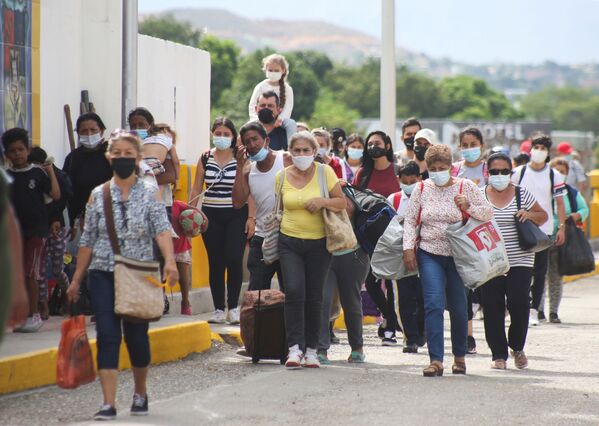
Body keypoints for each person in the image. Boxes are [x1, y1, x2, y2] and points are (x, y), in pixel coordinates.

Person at [66, 130, 178, 420]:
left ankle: (140, 392)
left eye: (129, 155)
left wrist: (170, 261)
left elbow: (161, 229)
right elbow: (87, 240)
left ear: (139, 158)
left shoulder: (149, 193)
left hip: (139, 273)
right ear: (109, 157)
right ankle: (108, 402)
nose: (123, 159)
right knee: (107, 334)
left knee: (137, 336)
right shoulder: (98, 194)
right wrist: (77, 279)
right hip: (103, 273)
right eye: (118, 155)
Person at [403, 144, 493, 377]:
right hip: (429, 252)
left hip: (459, 256)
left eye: (442, 167)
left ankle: (460, 357)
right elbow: (411, 221)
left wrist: (468, 206)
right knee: (432, 304)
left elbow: (487, 214)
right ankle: (435, 360)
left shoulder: (465, 187)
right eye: (432, 168)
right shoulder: (422, 188)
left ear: (451, 167)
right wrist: (408, 249)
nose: (437, 171)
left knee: (459, 307)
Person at [277, 131, 346, 369]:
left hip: (319, 243)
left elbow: (342, 202)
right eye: (297, 150)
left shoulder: (324, 172)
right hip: (289, 241)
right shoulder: (282, 176)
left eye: (306, 150)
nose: (301, 155)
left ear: (314, 152)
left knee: (315, 296)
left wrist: (323, 202)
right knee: (294, 290)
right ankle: (294, 348)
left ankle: (312, 350)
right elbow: (278, 207)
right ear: (290, 152)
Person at [481, 152, 548, 370]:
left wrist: (529, 215)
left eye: (504, 171)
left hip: (521, 258)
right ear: (487, 173)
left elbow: (543, 215)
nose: (499, 175)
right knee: (492, 306)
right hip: (491, 260)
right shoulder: (480, 195)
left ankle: (517, 347)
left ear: (511, 172)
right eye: (494, 171)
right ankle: (498, 354)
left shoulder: (522, 194)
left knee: (519, 303)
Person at [189, 118, 248, 325]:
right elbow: (197, 187)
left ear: (233, 136)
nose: (221, 137)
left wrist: (251, 217)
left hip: (236, 213)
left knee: (233, 258)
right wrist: (191, 211)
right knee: (215, 261)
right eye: (218, 133)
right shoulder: (205, 158)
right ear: (212, 134)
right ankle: (218, 309)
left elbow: (247, 187)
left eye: (226, 134)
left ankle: (233, 307)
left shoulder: (241, 157)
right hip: (211, 215)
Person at [3, 128, 60, 332]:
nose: (17, 154)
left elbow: (55, 195)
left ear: (28, 150)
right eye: (12, 151)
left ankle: (33, 314)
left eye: (21, 149)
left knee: (30, 273)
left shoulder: (37, 173)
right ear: (6, 155)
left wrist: (51, 172)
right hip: (14, 234)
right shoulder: (7, 176)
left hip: (36, 231)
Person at [511, 134, 567, 326]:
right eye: (537, 147)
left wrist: (562, 227)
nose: (539, 151)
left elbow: (560, 203)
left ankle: (534, 310)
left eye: (543, 148)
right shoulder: (519, 172)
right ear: (530, 149)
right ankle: (518, 308)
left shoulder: (554, 175)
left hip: (544, 229)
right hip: (520, 228)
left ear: (548, 152)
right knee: (520, 270)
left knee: (540, 271)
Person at [353, 130, 401, 345]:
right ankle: (390, 317)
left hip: (395, 236)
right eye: (370, 143)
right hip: (368, 236)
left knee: (391, 283)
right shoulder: (362, 173)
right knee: (372, 282)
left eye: (378, 143)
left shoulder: (398, 171)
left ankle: (390, 326)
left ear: (388, 146)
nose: (373, 146)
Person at [232, 121, 292, 291]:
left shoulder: (286, 159)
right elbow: (237, 202)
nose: (252, 145)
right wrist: (239, 166)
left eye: (255, 139)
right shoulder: (247, 170)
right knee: (256, 293)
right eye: (247, 142)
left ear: (267, 140)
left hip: (288, 235)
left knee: (290, 290)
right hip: (261, 238)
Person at [451, 126, 488, 355]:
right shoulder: (454, 171)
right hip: (462, 236)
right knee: (464, 289)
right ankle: (468, 335)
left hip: (485, 236)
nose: (469, 149)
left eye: (473, 144)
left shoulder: (489, 171)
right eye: (464, 145)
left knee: (486, 289)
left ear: (481, 146)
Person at [539, 158, 589, 323]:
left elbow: (584, 209)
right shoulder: (541, 189)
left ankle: (553, 312)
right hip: (541, 239)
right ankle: (537, 310)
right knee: (539, 276)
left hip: (561, 240)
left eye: (563, 171)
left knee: (556, 276)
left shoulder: (571, 192)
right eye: (556, 170)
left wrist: (576, 215)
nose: (559, 174)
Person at [29, 147, 73, 317]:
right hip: (38, 228)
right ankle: (43, 304)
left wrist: (55, 218)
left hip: (57, 227)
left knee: (57, 269)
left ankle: (69, 294)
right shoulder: (30, 177)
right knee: (38, 270)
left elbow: (61, 198)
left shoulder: (58, 176)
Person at [386, 161, 426, 353]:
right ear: (398, 180)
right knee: (404, 298)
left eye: (413, 180)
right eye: (405, 181)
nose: (410, 184)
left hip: (425, 254)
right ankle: (409, 337)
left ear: (419, 179)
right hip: (400, 256)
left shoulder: (428, 197)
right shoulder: (393, 200)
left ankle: (421, 330)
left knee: (424, 297)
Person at [63, 113, 112, 241]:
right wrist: (74, 220)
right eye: (84, 131)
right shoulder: (73, 158)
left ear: (101, 130)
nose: (89, 134)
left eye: (93, 130)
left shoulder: (112, 153)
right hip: (87, 216)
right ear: (78, 133)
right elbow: (69, 191)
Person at [171, 199, 193, 315]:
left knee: (183, 278)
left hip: (180, 246)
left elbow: (194, 212)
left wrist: (203, 220)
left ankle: (185, 302)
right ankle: (162, 300)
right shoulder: (155, 204)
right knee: (161, 276)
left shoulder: (178, 205)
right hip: (163, 246)